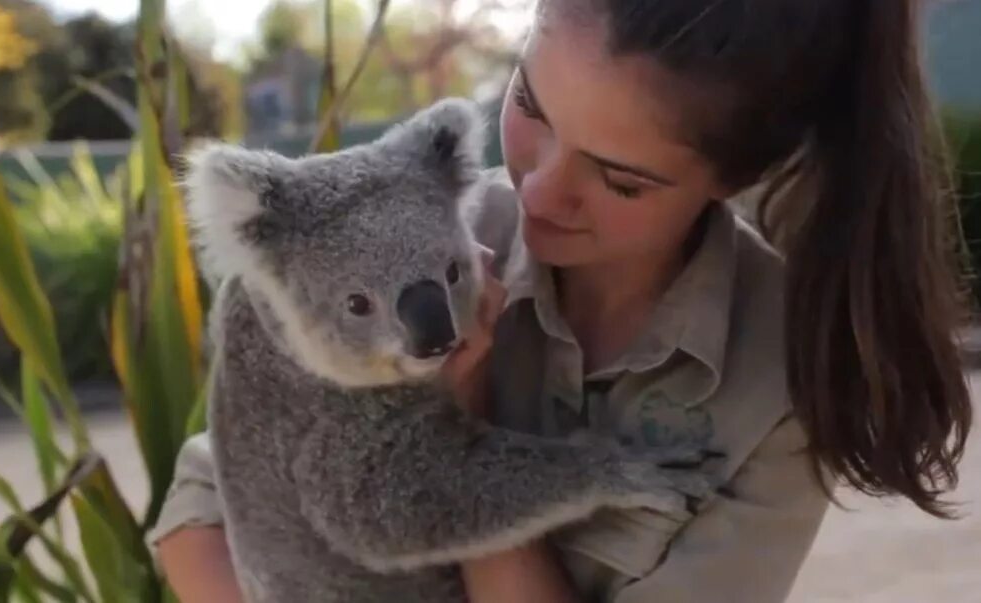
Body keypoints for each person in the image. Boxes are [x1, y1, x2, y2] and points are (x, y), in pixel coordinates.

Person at [150, 0, 975, 601]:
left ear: (738, 178)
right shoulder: (395, 238)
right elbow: (199, 505)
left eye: (620, 178)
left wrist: (461, 426)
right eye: (529, 106)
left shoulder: (786, 382)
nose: (541, 190)